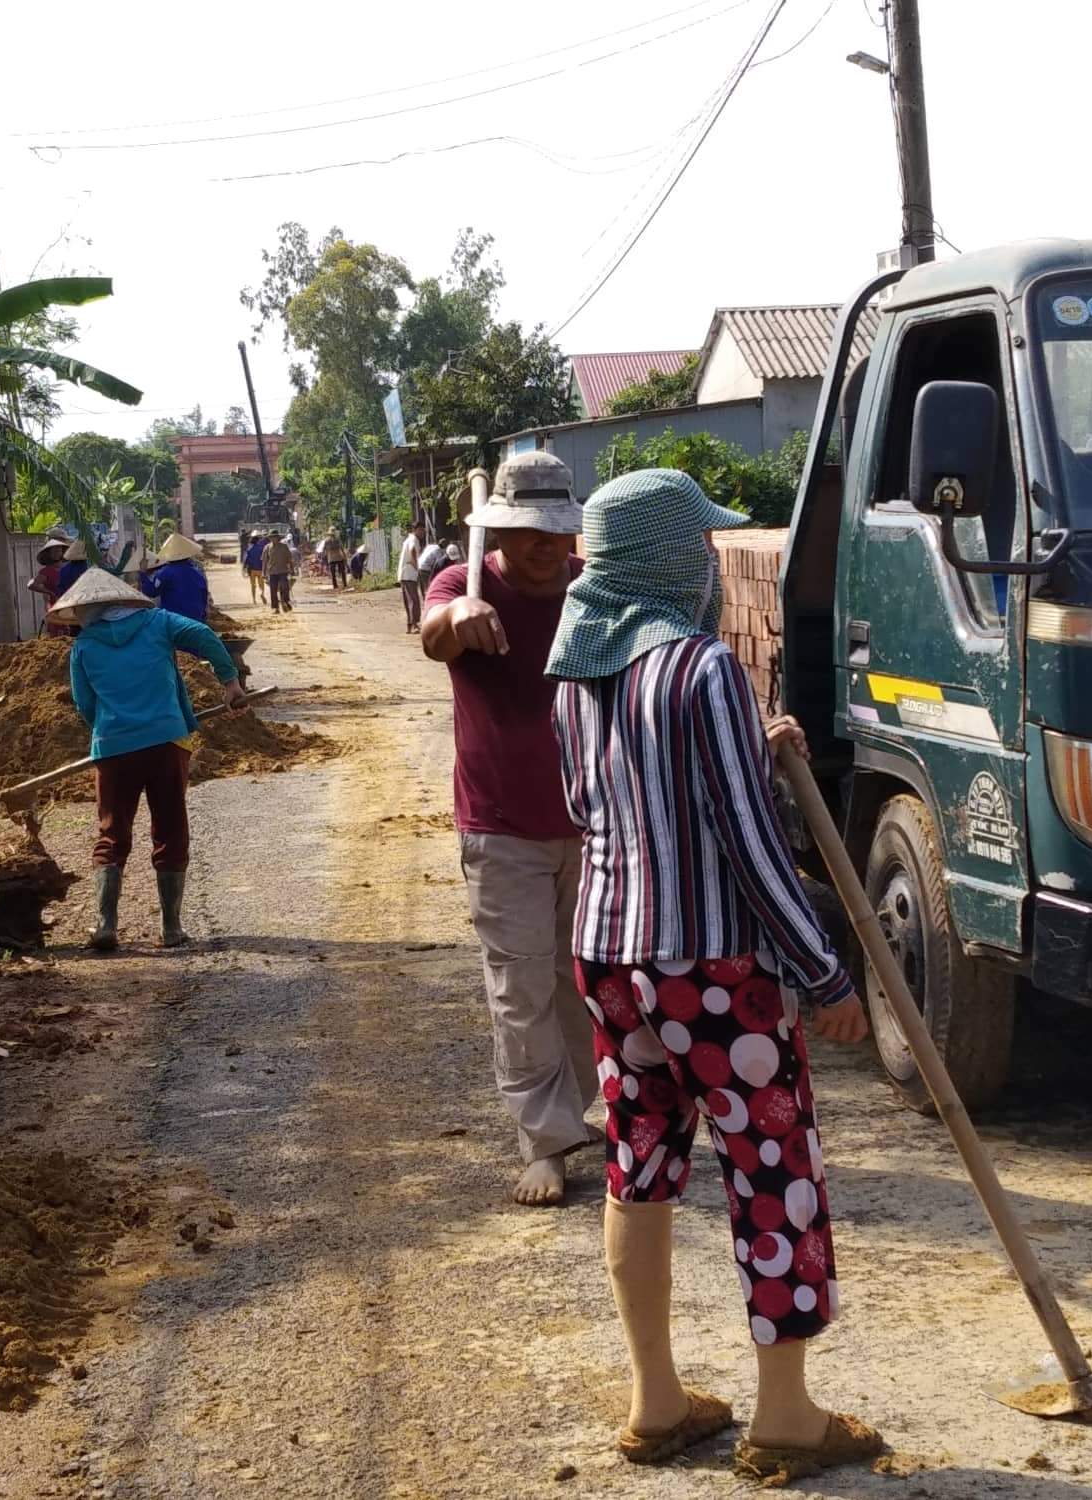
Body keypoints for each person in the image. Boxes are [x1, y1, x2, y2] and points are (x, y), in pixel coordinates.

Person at [546, 468, 883, 1478]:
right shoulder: (699, 668)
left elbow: (588, 802)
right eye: (695, 548)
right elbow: (745, 842)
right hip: (707, 968)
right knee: (770, 1172)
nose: (705, 565)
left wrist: (751, 742)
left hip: (609, 953)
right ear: (662, 560)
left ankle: (656, 1401)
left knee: (638, 1165)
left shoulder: (574, 675)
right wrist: (823, 974)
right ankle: (784, 1418)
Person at [421, 452, 596, 1207]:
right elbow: (435, 634)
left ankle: (585, 1110)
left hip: (595, 821)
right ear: (503, 529)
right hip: (501, 829)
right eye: (530, 531)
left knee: (588, 983)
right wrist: (458, 618)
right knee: (521, 988)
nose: (545, 545)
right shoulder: (465, 584)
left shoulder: (595, 588)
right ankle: (546, 1141)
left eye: (556, 531)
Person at [49, 568, 245, 952]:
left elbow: (84, 704)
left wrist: (109, 727)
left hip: (114, 749)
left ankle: (105, 925)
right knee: (170, 828)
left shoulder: (84, 647)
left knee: (111, 833)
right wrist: (230, 681)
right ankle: (171, 929)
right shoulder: (158, 623)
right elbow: (204, 636)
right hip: (167, 742)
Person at [140, 532, 210, 622]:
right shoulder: (197, 573)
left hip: (175, 621)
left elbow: (150, 591)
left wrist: (142, 573)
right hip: (196, 620)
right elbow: (204, 598)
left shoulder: (165, 573)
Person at [28, 535, 71, 637]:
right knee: (59, 639)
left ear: (62, 552)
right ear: (49, 554)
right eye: (54, 551)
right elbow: (31, 585)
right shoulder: (46, 571)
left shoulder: (69, 568)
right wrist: (49, 592)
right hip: (56, 609)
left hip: (71, 607)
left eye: (59, 550)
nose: (57, 553)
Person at [398, 522, 427, 632]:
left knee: (408, 600)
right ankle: (414, 624)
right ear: (416, 530)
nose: (423, 533)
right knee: (414, 600)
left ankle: (410, 625)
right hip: (409, 573)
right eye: (421, 530)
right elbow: (412, 551)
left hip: (405, 573)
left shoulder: (408, 539)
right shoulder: (414, 539)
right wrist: (417, 566)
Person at [264, 531, 295, 613]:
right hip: (272, 572)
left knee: (284, 588)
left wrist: (292, 570)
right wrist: (264, 573)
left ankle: (285, 602)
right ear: (269, 538)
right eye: (271, 537)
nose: (273, 538)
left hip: (283, 571)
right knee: (273, 590)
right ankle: (275, 608)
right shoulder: (267, 547)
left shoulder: (284, 547)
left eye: (274, 537)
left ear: (278, 538)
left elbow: (290, 559)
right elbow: (264, 561)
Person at [242, 530, 268, 606]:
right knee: (261, 584)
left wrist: (244, 568)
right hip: (260, 569)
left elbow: (245, 559)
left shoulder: (249, 549)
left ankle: (254, 600)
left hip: (252, 570)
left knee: (253, 585)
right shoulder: (262, 548)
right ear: (258, 540)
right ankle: (262, 593)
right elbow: (264, 558)